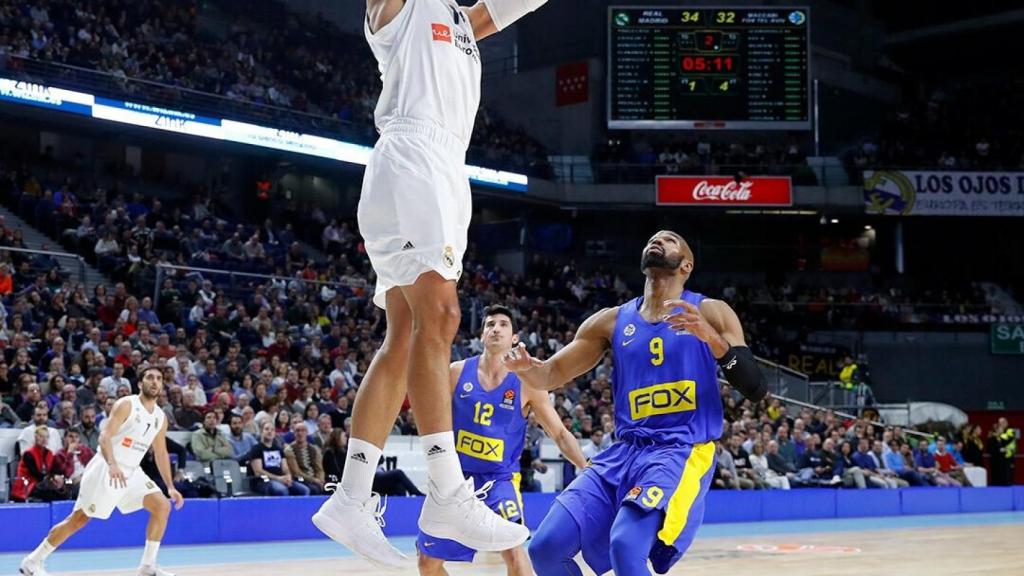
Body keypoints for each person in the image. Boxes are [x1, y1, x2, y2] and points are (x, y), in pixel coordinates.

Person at [313, 0, 550, 565]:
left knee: (403, 334)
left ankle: (350, 495)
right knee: (442, 317)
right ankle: (446, 487)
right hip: (416, 153)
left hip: (431, 163)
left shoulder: (464, 19)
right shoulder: (405, 9)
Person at [506, 231, 768, 576]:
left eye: (670, 239)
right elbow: (550, 375)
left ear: (686, 264)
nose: (657, 239)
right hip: (624, 450)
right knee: (545, 548)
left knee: (626, 548)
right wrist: (526, 370)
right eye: (653, 238)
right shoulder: (611, 321)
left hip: (679, 449)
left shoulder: (711, 311)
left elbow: (756, 387)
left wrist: (712, 340)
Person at [416, 305, 587, 576]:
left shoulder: (526, 382)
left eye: (503, 324)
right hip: (455, 481)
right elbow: (429, 416)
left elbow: (559, 433)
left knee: (515, 552)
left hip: (500, 480)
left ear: (514, 338)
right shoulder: (456, 372)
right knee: (427, 563)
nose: (495, 328)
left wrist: (585, 467)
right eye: (490, 324)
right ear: (482, 336)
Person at [20, 366, 183, 576]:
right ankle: (33, 561)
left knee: (162, 505)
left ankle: (147, 566)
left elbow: (161, 452)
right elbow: (104, 437)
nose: (155, 382)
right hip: (106, 468)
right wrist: (113, 464)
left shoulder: (161, 417)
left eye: (159, 378)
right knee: (79, 519)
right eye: (150, 377)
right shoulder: (127, 405)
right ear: (140, 384)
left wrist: (170, 486)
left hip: (132, 472)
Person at [247, 420, 311, 496]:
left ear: (275, 433)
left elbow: (285, 468)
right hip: (264, 481)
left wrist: (288, 478)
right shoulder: (256, 449)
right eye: (267, 429)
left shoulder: (279, 449)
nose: (269, 432)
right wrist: (278, 478)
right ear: (261, 431)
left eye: (272, 430)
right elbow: (258, 472)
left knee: (304, 490)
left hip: (281, 479)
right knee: (282, 490)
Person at [11, 426, 56, 502]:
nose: (44, 439)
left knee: (61, 489)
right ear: (35, 437)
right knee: (50, 491)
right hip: (27, 485)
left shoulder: (50, 454)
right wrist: (50, 479)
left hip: (43, 483)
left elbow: (54, 470)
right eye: (41, 436)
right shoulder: (28, 454)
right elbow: (35, 473)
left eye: (46, 437)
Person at [284, 420, 325, 495]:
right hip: (300, 480)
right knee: (314, 489)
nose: (300, 433)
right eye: (297, 431)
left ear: (307, 433)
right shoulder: (289, 450)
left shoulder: (315, 449)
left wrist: (320, 480)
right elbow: (296, 472)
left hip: (315, 479)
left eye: (303, 430)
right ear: (294, 433)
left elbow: (319, 468)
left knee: (329, 488)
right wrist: (314, 480)